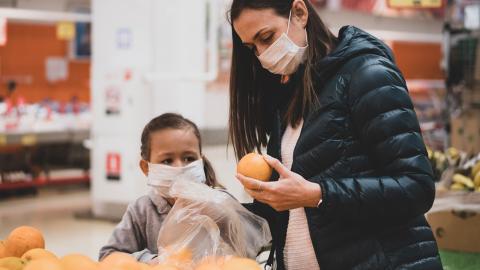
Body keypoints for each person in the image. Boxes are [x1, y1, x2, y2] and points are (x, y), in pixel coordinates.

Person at [229, 0, 442, 269]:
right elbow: (297, 215)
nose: (262, 56)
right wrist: (224, 211)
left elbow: (417, 188)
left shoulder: (367, 74)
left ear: (299, 13)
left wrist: (318, 195)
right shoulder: (292, 92)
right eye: (252, 48)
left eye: (267, 37)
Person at [99, 113, 221, 263]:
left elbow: (245, 251)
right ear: (146, 168)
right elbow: (109, 256)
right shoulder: (142, 211)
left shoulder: (219, 206)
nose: (179, 167)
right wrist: (154, 262)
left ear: (200, 161)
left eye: (189, 158)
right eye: (167, 161)